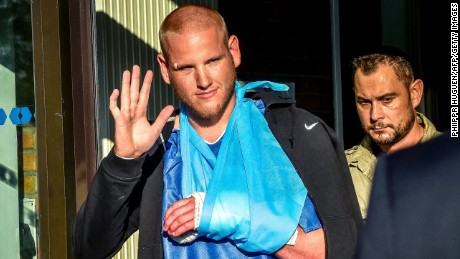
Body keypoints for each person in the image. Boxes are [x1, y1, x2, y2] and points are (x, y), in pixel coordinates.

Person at [73, 4, 361, 259]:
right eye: (185, 68)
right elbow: (89, 249)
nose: (203, 80)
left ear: (233, 51)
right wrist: (123, 162)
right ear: (165, 69)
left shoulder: (298, 133)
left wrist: (237, 215)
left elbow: (347, 247)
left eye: (213, 61)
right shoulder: (160, 150)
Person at [345, 53, 441, 219]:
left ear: (414, 94)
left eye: (387, 100)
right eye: (364, 102)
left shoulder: (451, 160)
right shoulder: (341, 172)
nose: (375, 115)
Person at [353, 132, 460, 259]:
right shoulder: (344, 167)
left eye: (390, 109)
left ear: (414, 109)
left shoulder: (446, 154)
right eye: (364, 109)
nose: (375, 115)